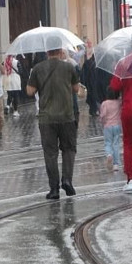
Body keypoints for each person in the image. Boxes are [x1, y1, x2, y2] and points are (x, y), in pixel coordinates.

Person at [27, 38, 80, 199]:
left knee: (50, 153)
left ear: (47, 51)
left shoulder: (38, 69)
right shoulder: (69, 67)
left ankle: (54, 189)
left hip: (47, 119)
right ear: (60, 50)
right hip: (67, 116)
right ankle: (67, 180)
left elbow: (30, 91)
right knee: (69, 149)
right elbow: (76, 89)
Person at [100, 87, 122, 172]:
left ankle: (109, 154)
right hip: (117, 125)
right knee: (116, 144)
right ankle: (116, 164)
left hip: (107, 126)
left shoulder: (105, 103)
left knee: (108, 143)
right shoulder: (118, 102)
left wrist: (102, 121)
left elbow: (103, 115)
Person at [81, 50, 100, 117]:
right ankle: (93, 110)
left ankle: (92, 110)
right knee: (94, 96)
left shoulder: (87, 62)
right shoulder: (95, 64)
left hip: (89, 83)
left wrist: (84, 82)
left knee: (91, 96)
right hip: (93, 83)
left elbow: (83, 73)